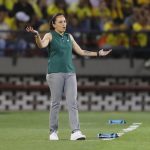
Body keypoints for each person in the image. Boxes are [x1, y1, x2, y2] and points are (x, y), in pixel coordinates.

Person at [26, 13, 112, 141]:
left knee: (72, 103)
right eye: (60, 22)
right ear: (54, 24)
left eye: (65, 21)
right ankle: (53, 132)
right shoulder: (49, 35)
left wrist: (98, 53)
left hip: (70, 73)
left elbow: (81, 51)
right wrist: (37, 35)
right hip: (54, 73)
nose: (64, 24)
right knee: (55, 103)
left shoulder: (69, 37)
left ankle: (76, 132)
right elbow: (41, 45)